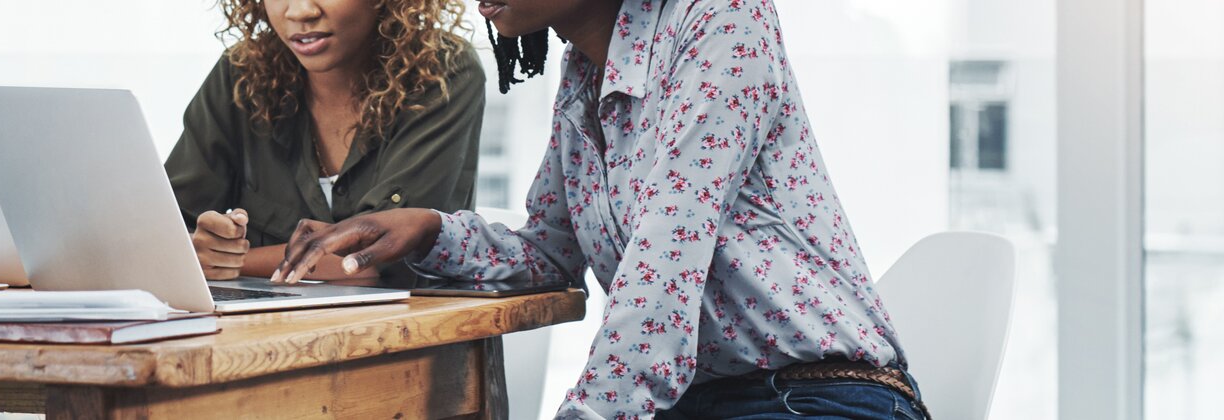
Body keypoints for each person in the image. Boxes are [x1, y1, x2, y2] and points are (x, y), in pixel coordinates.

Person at [269, 0, 926, 418]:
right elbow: (551, 253)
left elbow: (662, 268)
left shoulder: (722, 21)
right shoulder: (585, 75)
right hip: (694, 405)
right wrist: (427, 230)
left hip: (818, 395)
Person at [166, 0, 486, 281]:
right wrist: (202, 244)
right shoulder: (241, 74)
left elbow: (375, 257)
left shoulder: (441, 71)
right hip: (261, 328)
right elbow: (166, 229)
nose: (300, 11)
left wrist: (221, 263)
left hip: (408, 328)